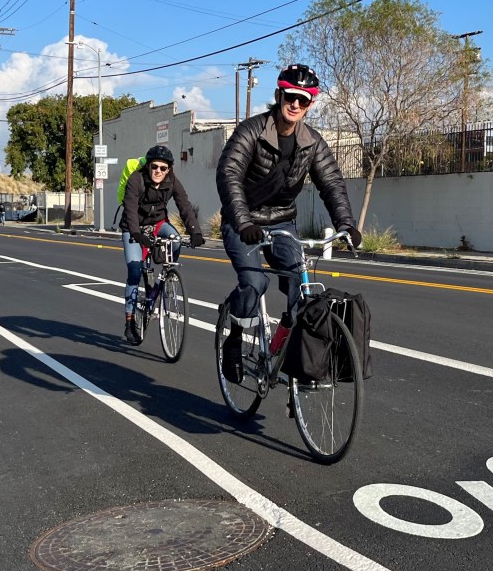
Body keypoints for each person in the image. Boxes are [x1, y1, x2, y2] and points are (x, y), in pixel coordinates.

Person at [215, 63, 361, 380]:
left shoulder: (312, 142)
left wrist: (346, 224)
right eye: (290, 96)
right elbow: (229, 175)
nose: (295, 104)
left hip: (282, 223)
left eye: (304, 99)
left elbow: (332, 184)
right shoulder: (251, 131)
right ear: (279, 95)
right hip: (244, 223)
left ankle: (288, 359)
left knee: (302, 291)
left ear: (311, 103)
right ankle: (235, 340)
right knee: (255, 283)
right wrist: (242, 222)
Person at [120, 144, 205, 345]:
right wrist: (136, 234)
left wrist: (196, 231)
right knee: (134, 271)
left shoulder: (172, 181)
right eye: (155, 167)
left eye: (163, 168)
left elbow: (184, 205)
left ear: (169, 169)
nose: (158, 171)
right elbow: (130, 209)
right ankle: (130, 321)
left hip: (159, 224)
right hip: (134, 227)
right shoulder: (136, 180)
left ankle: (167, 275)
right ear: (149, 166)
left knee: (175, 240)